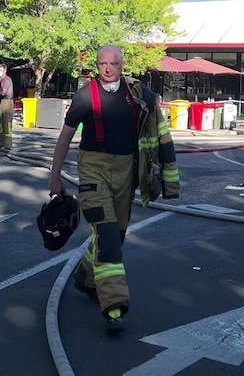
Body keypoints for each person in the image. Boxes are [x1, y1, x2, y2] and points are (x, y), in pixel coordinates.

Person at [48, 44, 180, 334]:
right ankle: (114, 307)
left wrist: (165, 175)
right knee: (107, 235)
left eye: (114, 64)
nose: (108, 69)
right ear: (96, 66)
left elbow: (160, 133)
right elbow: (65, 137)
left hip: (126, 171)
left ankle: (85, 275)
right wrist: (55, 175)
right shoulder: (84, 97)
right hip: (93, 169)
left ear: (123, 65)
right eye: (103, 64)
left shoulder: (139, 95)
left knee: (116, 233)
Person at [0, 63, 15, 150]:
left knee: (7, 124)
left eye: (1, 71)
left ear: (5, 71)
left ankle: (7, 144)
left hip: (7, 102)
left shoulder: (7, 80)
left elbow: (3, 93)